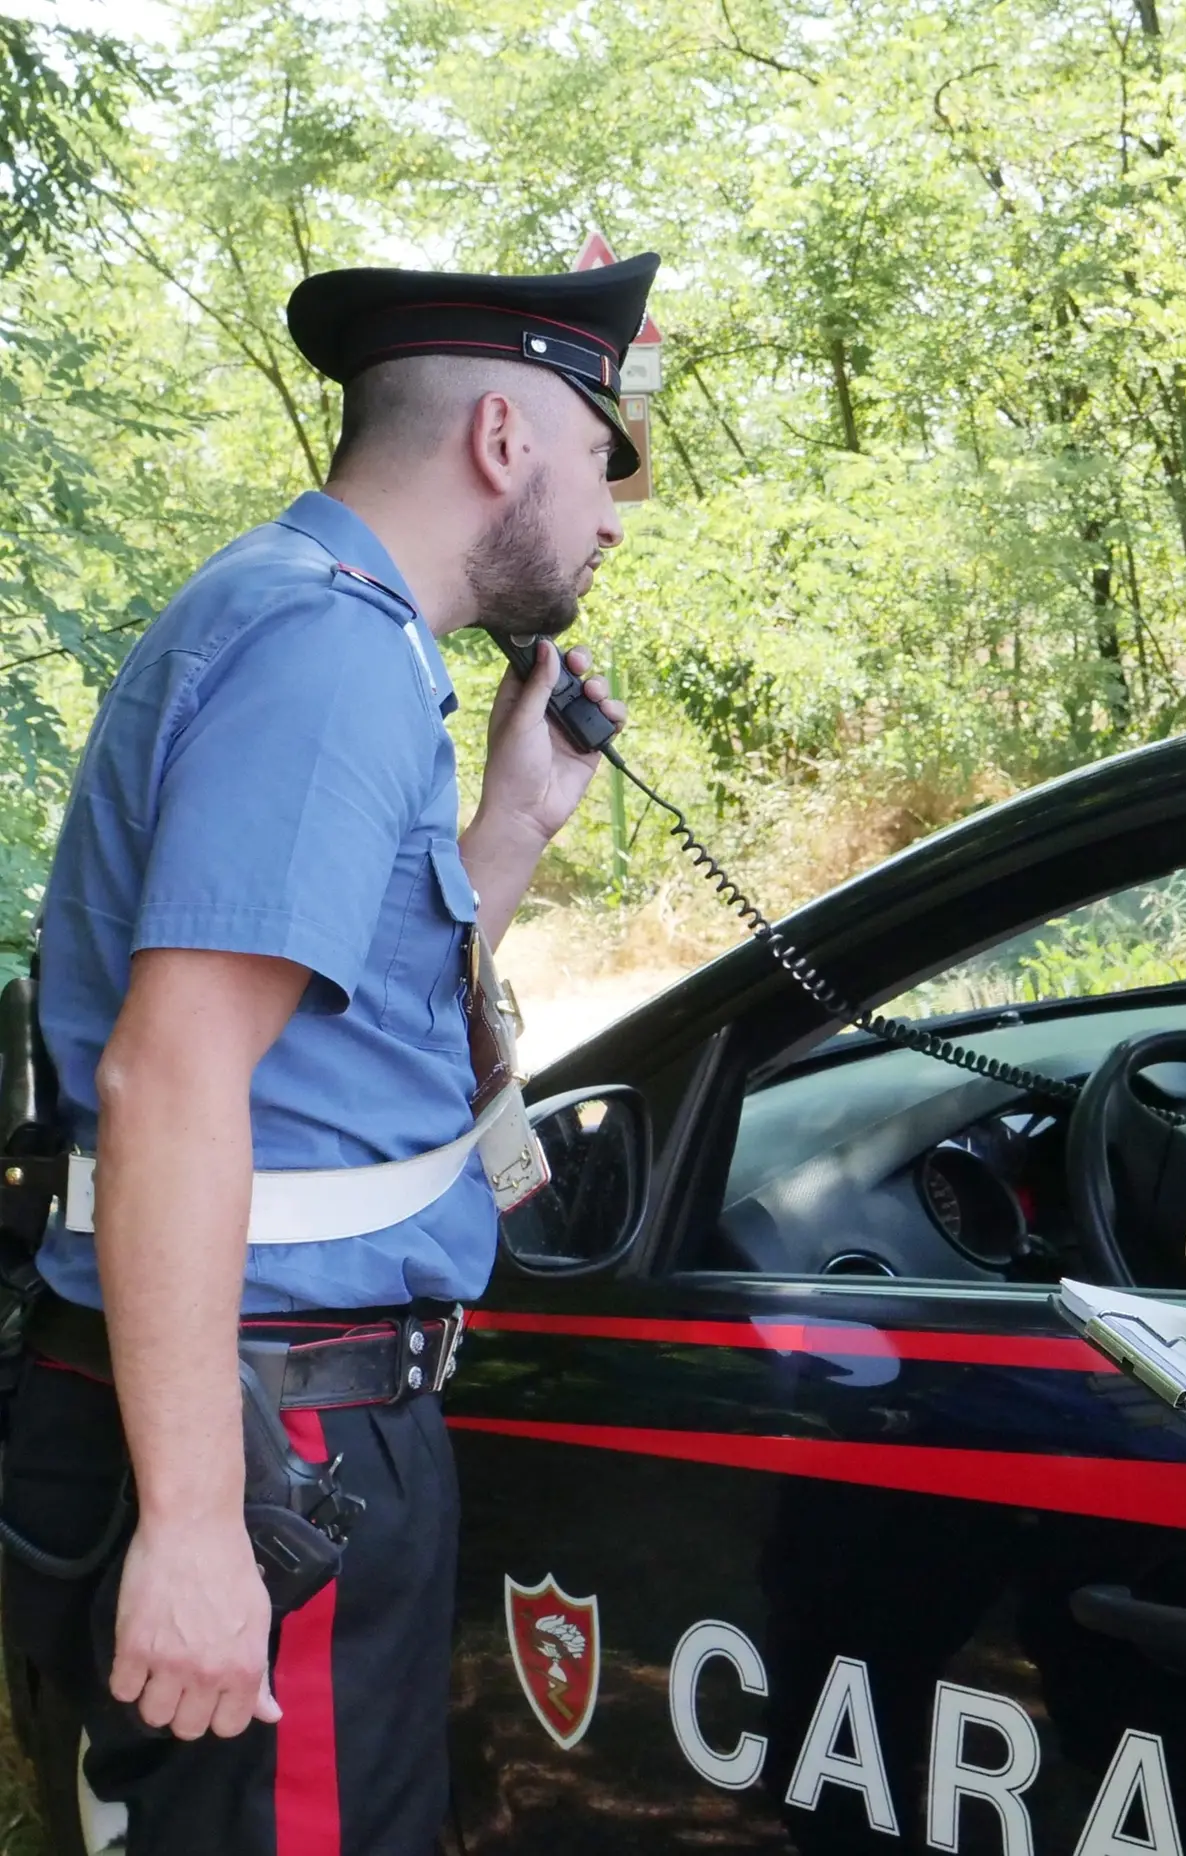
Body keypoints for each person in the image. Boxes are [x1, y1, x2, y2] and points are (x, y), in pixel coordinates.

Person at [0, 254, 656, 1855]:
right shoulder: (327, 656)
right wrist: (202, 1527)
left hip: (277, 1421)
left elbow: (334, 1057)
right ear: (503, 436)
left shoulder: (329, 634)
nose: (615, 517)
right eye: (602, 460)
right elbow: (170, 1079)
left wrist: (507, 827)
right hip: (265, 1440)